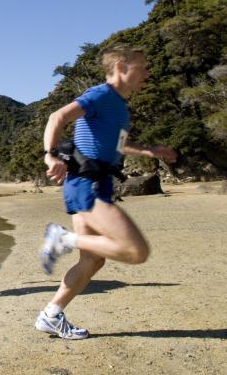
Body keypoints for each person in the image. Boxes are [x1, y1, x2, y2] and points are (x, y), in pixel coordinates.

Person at [36, 45, 177, 339]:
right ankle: (63, 238)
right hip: (88, 184)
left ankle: (51, 315)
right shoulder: (100, 94)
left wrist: (151, 151)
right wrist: (51, 155)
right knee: (136, 251)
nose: (147, 73)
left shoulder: (122, 110)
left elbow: (120, 146)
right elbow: (57, 117)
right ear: (121, 68)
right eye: (142, 66)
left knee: (92, 260)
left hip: (94, 184)